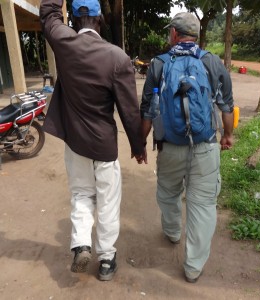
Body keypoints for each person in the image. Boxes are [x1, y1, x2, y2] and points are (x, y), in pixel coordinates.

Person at [40, 0, 146, 281]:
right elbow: (129, 110)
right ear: (99, 19)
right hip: (104, 146)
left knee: (81, 195)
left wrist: (55, 3)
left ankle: (81, 244)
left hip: (75, 143)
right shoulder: (117, 57)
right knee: (108, 201)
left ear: (74, 20)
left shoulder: (64, 44)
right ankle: (107, 261)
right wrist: (138, 147)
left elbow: (49, 15)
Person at [140, 12, 234, 283]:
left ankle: (172, 232)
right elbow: (226, 104)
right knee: (203, 205)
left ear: (173, 34)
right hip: (205, 147)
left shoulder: (159, 64)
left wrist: (140, 144)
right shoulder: (212, 62)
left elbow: (147, 110)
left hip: (170, 147)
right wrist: (227, 135)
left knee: (168, 193)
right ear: (197, 36)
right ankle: (193, 267)